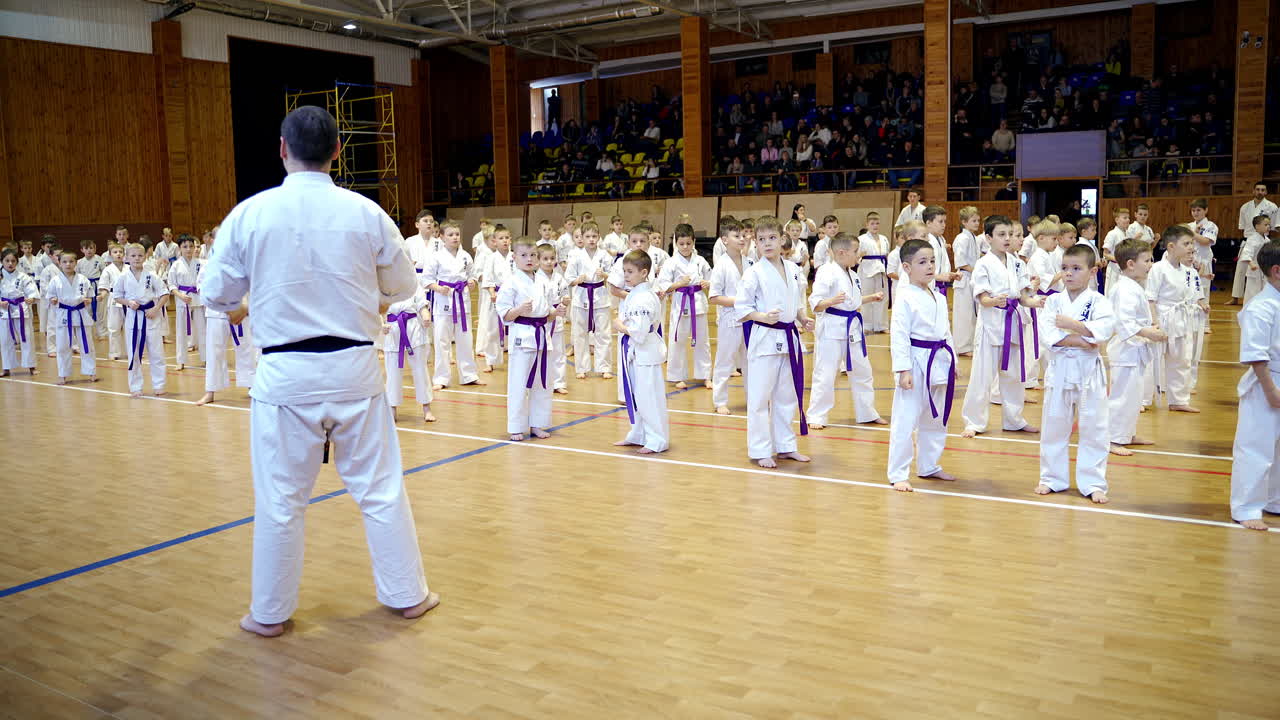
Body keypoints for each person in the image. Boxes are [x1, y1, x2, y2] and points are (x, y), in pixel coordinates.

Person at [200, 106, 435, 637]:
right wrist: (358, 298)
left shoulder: (249, 214)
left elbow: (215, 293)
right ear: (336, 152)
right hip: (353, 367)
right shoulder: (367, 212)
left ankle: (269, 614)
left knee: (282, 500)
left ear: (282, 149)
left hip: (285, 375)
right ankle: (408, 595)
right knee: (380, 489)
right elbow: (403, 287)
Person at [1034, 244, 1115, 503]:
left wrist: (1073, 326)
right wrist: (1083, 337)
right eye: (1065, 268)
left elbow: (1103, 332)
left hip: (1088, 371)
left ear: (1092, 271)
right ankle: (1051, 478)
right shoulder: (1054, 301)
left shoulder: (1100, 301)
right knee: (1054, 425)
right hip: (1059, 369)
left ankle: (1093, 482)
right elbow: (1049, 337)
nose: (1069, 274)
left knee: (1094, 426)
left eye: (1076, 268)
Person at [734, 216, 815, 469]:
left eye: (772, 238)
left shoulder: (792, 270)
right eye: (761, 239)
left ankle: (786, 446)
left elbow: (797, 301)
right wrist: (762, 317)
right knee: (759, 397)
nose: (767, 244)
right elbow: (742, 308)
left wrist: (803, 319)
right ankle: (760, 449)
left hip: (789, 337)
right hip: (765, 338)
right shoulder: (753, 273)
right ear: (755, 243)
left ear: (782, 239)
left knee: (787, 395)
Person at [960, 214, 1044, 438]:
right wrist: (994, 301)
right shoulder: (983, 264)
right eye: (1001, 235)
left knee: (1014, 375)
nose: (1007, 239)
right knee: (982, 376)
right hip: (991, 325)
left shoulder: (1016, 262)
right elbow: (983, 298)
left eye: (1009, 234)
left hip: (1013, 322)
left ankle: (1014, 419)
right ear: (988, 238)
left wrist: (1037, 302)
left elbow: (1024, 297)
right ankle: (974, 421)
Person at [887, 237, 957, 492]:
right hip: (916, 362)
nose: (929, 267)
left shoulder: (937, 295)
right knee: (906, 419)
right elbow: (899, 335)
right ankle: (898, 473)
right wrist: (903, 369)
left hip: (939, 359)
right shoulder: (905, 296)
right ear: (906, 267)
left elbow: (946, 332)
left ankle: (929, 465)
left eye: (932, 261)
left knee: (936, 419)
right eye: (922, 262)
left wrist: (954, 362)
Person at [806, 233, 885, 429]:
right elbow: (815, 304)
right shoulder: (826, 272)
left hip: (853, 328)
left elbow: (852, 302)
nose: (859, 255)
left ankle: (867, 412)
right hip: (832, 327)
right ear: (842, 252)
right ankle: (817, 415)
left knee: (863, 371)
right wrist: (830, 301)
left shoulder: (853, 274)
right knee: (825, 373)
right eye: (856, 251)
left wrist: (870, 297)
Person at [1229, 240, 1280, 530]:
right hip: (1265, 383)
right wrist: (1271, 389)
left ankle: (1275, 500)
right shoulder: (1260, 307)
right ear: (1276, 271)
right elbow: (1256, 355)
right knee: (1256, 447)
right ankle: (1246, 507)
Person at [496, 237, 559, 441]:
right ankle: (516, 426)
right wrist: (519, 310)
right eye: (524, 255)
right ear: (514, 258)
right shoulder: (511, 282)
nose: (529, 259)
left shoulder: (541, 280)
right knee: (518, 383)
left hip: (541, 335)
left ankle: (537, 424)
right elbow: (504, 315)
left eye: (533, 255)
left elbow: (546, 311)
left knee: (543, 382)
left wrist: (556, 312)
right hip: (522, 337)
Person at [1107, 238, 1164, 455]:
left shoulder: (1134, 286)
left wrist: (1151, 326)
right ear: (1131, 264)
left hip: (1135, 349)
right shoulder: (1124, 289)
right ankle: (1113, 438)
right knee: (1122, 396)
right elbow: (1123, 322)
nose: (1151, 264)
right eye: (1147, 260)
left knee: (1134, 396)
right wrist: (1149, 332)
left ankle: (1127, 433)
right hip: (1125, 350)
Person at [613, 249, 670, 454]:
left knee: (649, 398)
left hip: (645, 351)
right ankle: (638, 433)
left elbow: (640, 331)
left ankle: (657, 440)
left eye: (630, 272)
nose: (626, 276)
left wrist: (620, 326)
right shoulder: (636, 294)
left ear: (644, 273)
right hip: (636, 351)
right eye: (624, 271)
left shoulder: (644, 297)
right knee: (637, 396)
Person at [1146, 225, 1207, 413]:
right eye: (1186, 243)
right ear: (1171, 246)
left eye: (1192, 243)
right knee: (1152, 360)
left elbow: (1190, 296)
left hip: (1180, 319)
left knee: (1181, 359)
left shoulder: (1187, 271)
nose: (1191, 247)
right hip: (1162, 318)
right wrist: (1155, 323)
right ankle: (1143, 399)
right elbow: (1150, 298)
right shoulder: (1158, 268)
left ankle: (1178, 400)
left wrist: (1200, 305)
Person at [195, 226, 257, 407]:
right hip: (217, 313)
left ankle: (252, 387)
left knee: (246, 349)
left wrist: (244, 305)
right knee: (214, 351)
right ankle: (210, 391)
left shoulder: (243, 260)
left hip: (240, 312)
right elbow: (202, 288)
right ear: (212, 240)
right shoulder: (208, 264)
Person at [424, 220, 483, 389]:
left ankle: (469, 375)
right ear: (441, 237)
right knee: (442, 340)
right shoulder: (435, 257)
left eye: (457, 234)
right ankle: (441, 378)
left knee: (465, 339)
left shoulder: (465, 256)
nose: (455, 237)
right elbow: (426, 280)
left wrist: (471, 282)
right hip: (444, 300)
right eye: (450, 234)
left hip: (462, 300)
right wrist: (438, 288)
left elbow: (472, 274)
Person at [657, 223, 712, 390]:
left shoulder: (700, 261)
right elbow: (663, 286)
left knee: (702, 341)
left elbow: (712, 279)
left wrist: (706, 283)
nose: (685, 247)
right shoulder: (671, 262)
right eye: (681, 244)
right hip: (680, 304)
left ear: (694, 241)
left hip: (699, 304)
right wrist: (678, 283)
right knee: (677, 340)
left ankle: (705, 375)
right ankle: (676, 376)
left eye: (689, 243)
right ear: (676, 243)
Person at [113, 243, 169, 397]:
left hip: (151, 317)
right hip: (133, 318)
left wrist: (156, 309)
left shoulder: (152, 275)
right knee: (134, 354)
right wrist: (128, 303)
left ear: (145, 257)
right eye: (133, 256)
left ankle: (159, 384)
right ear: (126, 258)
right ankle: (135, 386)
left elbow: (165, 294)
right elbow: (116, 296)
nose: (136, 258)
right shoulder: (123, 277)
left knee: (156, 353)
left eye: (140, 255)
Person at [709, 218, 752, 415]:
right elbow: (714, 297)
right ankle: (720, 401)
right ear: (724, 240)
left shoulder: (750, 262)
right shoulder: (721, 265)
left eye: (743, 235)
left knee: (751, 361)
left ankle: (754, 398)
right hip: (730, 319)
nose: (742, 239)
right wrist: (739, 301)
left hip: (750, 318)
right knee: (725, 361)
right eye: (737, 236)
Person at [566, 222, 614, 379]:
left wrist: (605, 275)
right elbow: (568, 277)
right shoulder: (576, 256)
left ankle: (604, 367)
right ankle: (581, 367)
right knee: (580, 334)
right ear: (582, 238)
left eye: (594, 236)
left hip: (600, 295)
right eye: (588, 236)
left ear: (599, 237)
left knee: (603, 333)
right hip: (581, 296)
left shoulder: (605, 255)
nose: (591, 240)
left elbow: (614, 276)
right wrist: (576, 280)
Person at [383, 284, 435, 422]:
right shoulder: (382, 282)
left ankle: (426, 408)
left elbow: (421, 303)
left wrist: (425, 315)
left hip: (413, 329)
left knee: (420, 370)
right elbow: (375, 309)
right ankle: (392, 408)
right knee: (393, 373)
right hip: (392, 330)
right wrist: (381, 325)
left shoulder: (412, 282)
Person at [46, 251, 97, 385]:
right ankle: (63, 374)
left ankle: (91, 371)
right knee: (63, 346)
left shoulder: (83, 279)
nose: (68, 264)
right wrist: (53, 300)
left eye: (71, 261)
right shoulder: (55, 280)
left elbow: (90, 295)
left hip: (80, 313)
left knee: (87, 344)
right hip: (64, 314)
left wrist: (88, 300)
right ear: (59, 263)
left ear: (76, 263)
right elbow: (50, 296)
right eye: (64, 262)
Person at [1231, 182, 1280, 305]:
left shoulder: (1272, 207)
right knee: (1240, 270)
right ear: (1253, 191)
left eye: (1263, 190)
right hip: (1249, 239)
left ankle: (1262, 300)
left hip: (1263, 240)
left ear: (1266, 192)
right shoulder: (1245, 207)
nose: (1260, 192)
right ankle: (1235, 297)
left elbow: (1273, 226)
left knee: (1261, 276)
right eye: (1258, 189)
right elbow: (1242, 227)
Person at [167, 234, 205, 372]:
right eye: (185, 247)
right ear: (180, 249)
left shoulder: (202, 263)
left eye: (191, 246)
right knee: (181, 332)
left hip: (199, 300)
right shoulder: (176, 265)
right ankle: (181, 361)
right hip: (182, 301)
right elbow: (171, 285)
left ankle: (206, 358)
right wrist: (180, 295)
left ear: (195, 247)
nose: (188, 249)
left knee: (202, 330)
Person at [477, 226, 511, 373]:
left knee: (514, 328)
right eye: (501, 238)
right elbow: (488, 279)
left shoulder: (515, 257)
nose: (505, 241)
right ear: (494, 241)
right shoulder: (491, 258)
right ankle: (490, 361)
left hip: (512, 296)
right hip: (496, 296)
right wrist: (492, 293)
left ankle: (514, 358)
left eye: (507, 238)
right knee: (492, 329)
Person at [0, 248, 39, 376]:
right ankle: (6, 367)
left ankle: (31, 366)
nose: (10, 263)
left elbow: (32, 291)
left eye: (13, 261)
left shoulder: (23, 277)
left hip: (21, 310)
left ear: (17, 262)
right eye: (7, 261)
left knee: (27, 338)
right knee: (5, 341)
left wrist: (31, 298)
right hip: (4, 312)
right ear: (2, 262)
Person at [538, 242, 570, 394]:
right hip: (542, 317)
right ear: (538, 260)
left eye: (552, 258)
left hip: (557, 316)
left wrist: (565, 300)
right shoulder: (536, 278)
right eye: (545, 259)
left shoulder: (559, 277)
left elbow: (565, 293)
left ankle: (559, 382)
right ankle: (541, 380)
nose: (549, 262)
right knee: (541, 350)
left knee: (558, 351)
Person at [951, 206, 982, 355]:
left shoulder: (973, 237)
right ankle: (961, 347)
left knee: (972, 314)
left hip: (971, 277)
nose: (977, 223)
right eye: (973, 220)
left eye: (978, 220)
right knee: (963, 315)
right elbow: (961, 262)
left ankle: (969, 344)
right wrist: (977, 271)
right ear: (964, 222)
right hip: (964, 277)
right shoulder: (962, 238)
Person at [857, 212, 891, 333]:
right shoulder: (861, 239)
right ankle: (866, 325)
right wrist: (860, 254)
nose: (875, 226)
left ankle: (881, 325)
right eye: (872, 223)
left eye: (877, 223)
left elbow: (886, 255)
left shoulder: (884, 239)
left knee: (882, 297)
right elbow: (856, 256)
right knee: (867, 297)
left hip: (881, 269)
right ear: (867, 225)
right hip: (866, 269)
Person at [1188, 198, 1218, 333]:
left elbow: (1206, 241)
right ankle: (1190, 323)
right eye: (1193, 210)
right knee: (1189, 292)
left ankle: (1205, 325)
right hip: (1189, 262)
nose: (1195, 213)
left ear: (1206, 210)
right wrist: (1192, 231)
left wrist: (1192, 233)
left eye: (1198, 210)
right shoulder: (1189, 226)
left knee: (1203, 293)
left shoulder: (1211, 226)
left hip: (1204, 263)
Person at [98, 243, 127, 360]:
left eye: (120, 252)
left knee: (130, 327)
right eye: (115, 252)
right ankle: (114, 352)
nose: (118, 254)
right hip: (114, 298)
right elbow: (104, 287)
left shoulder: (129, 268)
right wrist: (102, 295)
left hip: (128, 299)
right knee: (114, 327)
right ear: (110, 255)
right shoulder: (107, 270)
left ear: (124, 254)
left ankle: (132, 351)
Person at [922, 206, 958, 296]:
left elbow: (942, 263)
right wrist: (938, 276)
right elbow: (920, 269)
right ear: (928, 223)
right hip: (929, 284)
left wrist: (949, 274)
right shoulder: (925, 241)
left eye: (944, 221)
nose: (944, 225)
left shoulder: (941, 239)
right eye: (940, 221)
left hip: (941, 284)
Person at [76, 239, 106, 339]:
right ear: (82, 250)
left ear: (95, 249)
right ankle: (88, 332)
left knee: (99, 311)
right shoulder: (79, 262)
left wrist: (102, 287)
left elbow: (104, 273)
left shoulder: (99, 259)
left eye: (91, 248)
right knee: (87, 310)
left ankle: (101, 332)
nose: (89, 250)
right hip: (85, 287)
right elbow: (77, 276)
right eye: (86, 248)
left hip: (97, 285)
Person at [1241, 215, 1273, 304]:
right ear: (1257, 226)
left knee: (1264, 293)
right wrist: (1251, 264)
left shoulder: (1267, 240)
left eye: (1269, 225)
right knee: (1252, 293)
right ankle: (1249, 313)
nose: (1268, 227)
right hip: (1254, 271)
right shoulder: (1252, 239)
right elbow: (1247, 253)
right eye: (1265, 225)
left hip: (1265, 270)